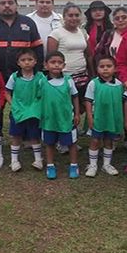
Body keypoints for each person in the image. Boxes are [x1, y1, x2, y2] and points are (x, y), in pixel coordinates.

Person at [39, 51, 81, 180]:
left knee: (71, 143)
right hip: (49, 119)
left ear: (64, 65)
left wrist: (77, 114)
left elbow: (75, 97)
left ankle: (74, 165)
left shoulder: (68, 80)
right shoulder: (41, 81)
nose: (56, 65)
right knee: (49, 143)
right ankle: (50, 166)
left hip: (66, 118)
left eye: (59, 63)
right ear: (46, 65)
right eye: (52, 62)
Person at [5, 49, 46, 172]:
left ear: (35, 62)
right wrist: (13, 104)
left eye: (30, 60)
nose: (27, 62)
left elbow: (44, 92)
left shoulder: (40, 77)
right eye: (23, 60)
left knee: (34, 136)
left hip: (34, 111)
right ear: (18, 63)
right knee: (16, 135)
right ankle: (14, 161)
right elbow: (7, 92)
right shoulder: (14, 77)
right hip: (18, 111)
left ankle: (38, 159)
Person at [83, 55, 124, 177]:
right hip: (98, 117)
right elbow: (88, 101)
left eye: (109, 66)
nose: (105, 69)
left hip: (111, 118)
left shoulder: (119, 85)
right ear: (97, 69)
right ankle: (93, 165)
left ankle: (106, 164)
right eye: (102, 66)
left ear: (115, 69)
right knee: (95, 140)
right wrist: (90, 116)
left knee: (109, 141)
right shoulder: (93, 83)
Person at [47, 4, 92, 110]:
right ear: (64, 17)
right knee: (64, 106)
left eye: (77, 15)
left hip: (82, 76)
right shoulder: (56, 34)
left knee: (81, 107)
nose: (74, 18)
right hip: (64, 76)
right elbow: (51, 58)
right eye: (70, 15)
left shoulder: (83, 33)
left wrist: (92, 73)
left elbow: (88, 54)